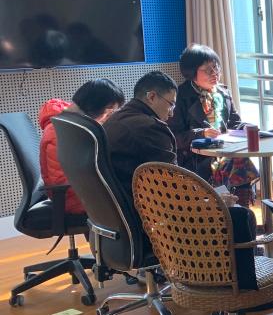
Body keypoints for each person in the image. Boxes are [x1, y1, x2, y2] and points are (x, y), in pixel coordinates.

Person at [167, 44, 259, 205]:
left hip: (224, 152)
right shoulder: (180, 97)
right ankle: (231, 208)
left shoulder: (223, 93)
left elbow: (234, 123)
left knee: (239, 159)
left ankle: (239, 208)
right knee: (236, 162)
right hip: (195, 158)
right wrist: (201, 133)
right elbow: (173, 137)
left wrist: (246, 127)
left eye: (216, 67)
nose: (215, 73)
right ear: (192, 72)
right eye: (208, 70)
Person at [39, 78, 126, 215]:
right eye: (110, 112)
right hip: (72, 199)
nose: (108, 117)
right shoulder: (59, 132)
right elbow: (60, 181)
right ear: (96, 106)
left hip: (81, 191)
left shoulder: (70, 122)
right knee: (134, 201)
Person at [103, 71, 177, 196]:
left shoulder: (115, 118)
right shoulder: (151, 128)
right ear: (152, 97)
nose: (171, 113)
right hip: (144, 204)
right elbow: (174, 185)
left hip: (115, 201)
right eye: (171, 104)